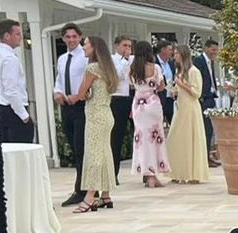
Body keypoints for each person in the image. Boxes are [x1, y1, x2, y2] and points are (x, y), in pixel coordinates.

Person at [69, 35, 119, 212]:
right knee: (105, 152)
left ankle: (90, 196)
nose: (83, 47)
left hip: (95, 115)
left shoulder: (92, 68)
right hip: (107, 113)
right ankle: (105, 194)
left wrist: (83, 94)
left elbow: (82, 92)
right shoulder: (108, 68)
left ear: (94, 48)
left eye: (86, 45)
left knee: (94, 155)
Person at [127, 41, 171, 188]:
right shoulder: (155, 68)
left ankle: (147, 173)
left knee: (142, 139)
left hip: (138, 104)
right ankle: (153, 174)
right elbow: (162, 86)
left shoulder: (132, 69)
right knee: (155, 138)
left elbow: (131, 85)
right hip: (152, 103)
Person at [54, 24, 88, 205]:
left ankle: (82, 190)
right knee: (74, 148)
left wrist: (80, 95)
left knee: (81, 148)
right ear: (63, 38)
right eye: (68, 36)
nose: (71, 39)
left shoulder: (85, 58)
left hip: (81, 105)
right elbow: (59, 79)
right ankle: (87, 186)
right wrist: (57, 92)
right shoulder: (62, 59)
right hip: (66, 105)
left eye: (75, 36)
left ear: (80, 37)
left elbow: (89, 79)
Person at [165, 42, 208, 183]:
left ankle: (193, 173)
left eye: (177, 53)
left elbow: (196, 92)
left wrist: (181, 84)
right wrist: (175, 90)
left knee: (190, 139)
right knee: (176, 139)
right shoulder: (180, 72)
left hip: (190, 109)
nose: (175, 56)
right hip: (180, 108)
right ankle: (178, 172)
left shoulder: (194, 71)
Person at [0, 19, 34, 144]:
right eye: (17, 34)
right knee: (21, 151)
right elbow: (11, 90)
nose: (21, 37)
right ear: (7, 36)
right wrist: (24, 115)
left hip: (1, 110)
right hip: (13, 111)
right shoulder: (9, 59)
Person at [107, 35, 134, 185]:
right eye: (124, 45)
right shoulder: (113, 60)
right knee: (116, 137)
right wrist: (125, 61)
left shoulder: (131, 60)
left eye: (129, 46)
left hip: (131, 97)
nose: (127, 49)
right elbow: (117, 76)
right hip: (117, 98)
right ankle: (113, 173)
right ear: (117, 46)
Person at [193, 39, 225, 166]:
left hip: (211, 97)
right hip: (203, 98)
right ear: (206, 48)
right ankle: (204, 158)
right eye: (213, 50)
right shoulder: (199, 61)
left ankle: (208, 155)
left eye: (216, 50)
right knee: (205, 129)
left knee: (210, 129)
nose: (214, 53)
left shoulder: (210, 62)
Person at [156, 42, 177, 124]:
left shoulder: (171, 64)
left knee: (174, 124)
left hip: (170, 98)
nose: (172, 52)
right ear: (162, 50)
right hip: (159, 97)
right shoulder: (154, 62)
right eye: (170, 50)